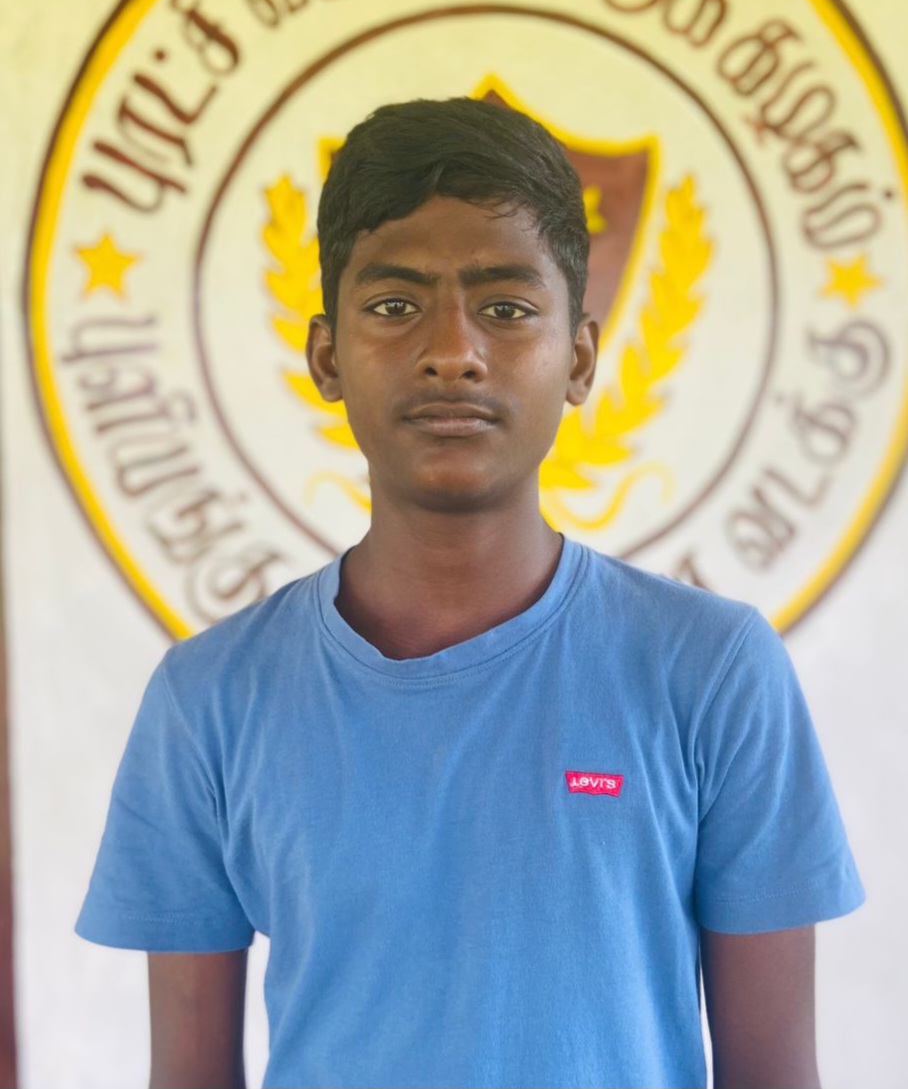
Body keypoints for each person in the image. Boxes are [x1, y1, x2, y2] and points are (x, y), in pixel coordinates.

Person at [77, 97, 864, 1089]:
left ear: (577, 357)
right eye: (395, 305)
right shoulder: (211, 697)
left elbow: (774, 1073)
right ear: (325, 354)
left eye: (503, 306)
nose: (453, 349)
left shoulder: (710, 669)